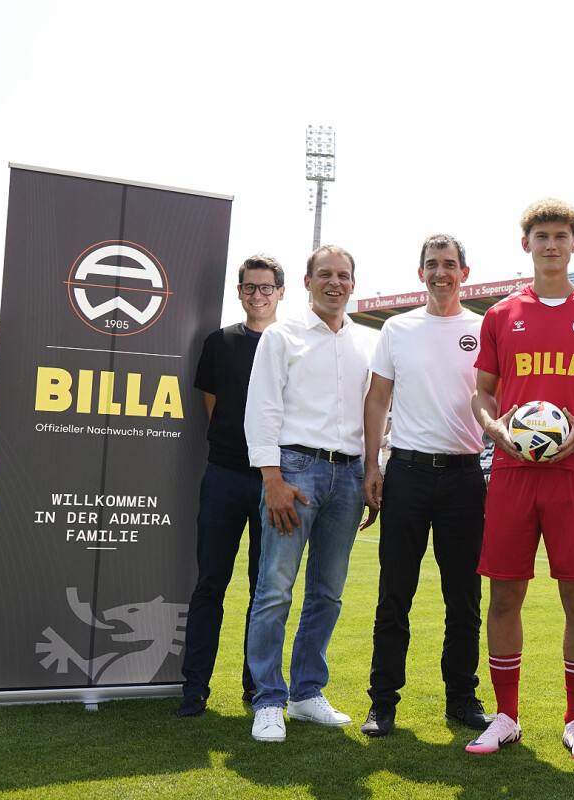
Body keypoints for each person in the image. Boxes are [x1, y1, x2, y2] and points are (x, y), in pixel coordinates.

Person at [465, 198, 574, 762]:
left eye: (560, 236)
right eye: (541, 236)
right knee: (504, 594)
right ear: (526, 244)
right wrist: (495, 428)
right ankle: (505, 715)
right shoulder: (501, 314)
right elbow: (483, 391)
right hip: (511, 469)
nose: (551, 244)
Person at [359, 234, 490, 737]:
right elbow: (377, 400)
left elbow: (496, 396)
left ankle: (461, 698)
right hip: (407, 474)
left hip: (463, 476)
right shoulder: (397, 329)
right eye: (432, 265)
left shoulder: (484, 328)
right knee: (395, 595)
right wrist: (374, 464)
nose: (441, 273)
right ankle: (383, 703)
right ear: (421, 273)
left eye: (450, 265)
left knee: (464, 598)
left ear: (464, 272)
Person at [243, 244, 374, 742]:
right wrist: (272, 479)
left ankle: (305, 694)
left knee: (328, 592)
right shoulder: (282, 336)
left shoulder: (369, 342)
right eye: (325, 274)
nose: (334, 282)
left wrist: (370, 472)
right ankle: (269, 699)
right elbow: (263, 409)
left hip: (350, 473)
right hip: (295, 470)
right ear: (307, 281)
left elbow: (375, 412)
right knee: (274, 590)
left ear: (353, 284)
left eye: (343, 275)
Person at [177, 254, 284, 717]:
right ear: (238, 292)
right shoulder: (218, 342)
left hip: (273, 483)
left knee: (266, 591)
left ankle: (256, 687)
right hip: (223, 476)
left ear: (281, 292)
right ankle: (194, 689)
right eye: (249, 288)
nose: (257, 295)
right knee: (210, 585)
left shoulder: (291, 344)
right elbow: (214, 409)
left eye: (266, 288)